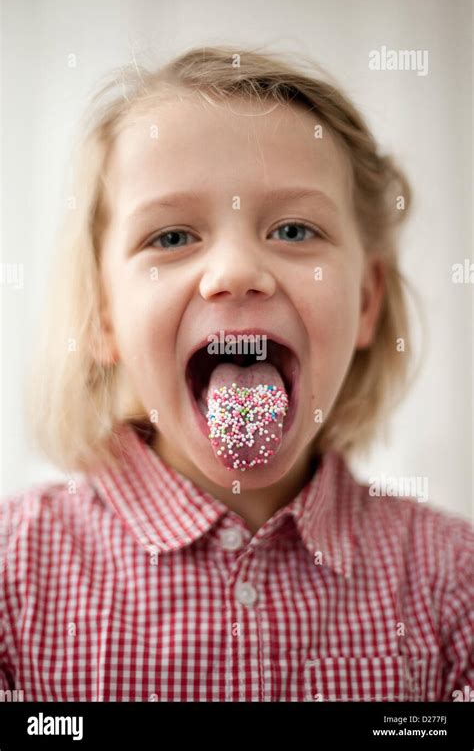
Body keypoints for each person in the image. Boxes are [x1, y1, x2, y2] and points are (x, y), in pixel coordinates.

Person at [1, 45, 472, 702]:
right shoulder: (13, 580)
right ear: (104, 314)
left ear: (366, 302)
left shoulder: (454, 583)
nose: (235, 272)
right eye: (171, 237)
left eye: (294, 229)